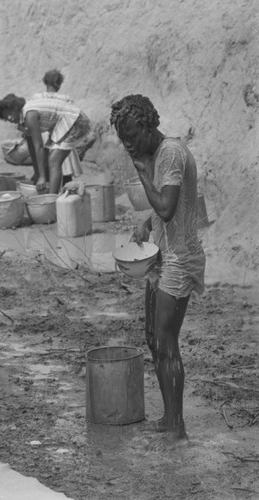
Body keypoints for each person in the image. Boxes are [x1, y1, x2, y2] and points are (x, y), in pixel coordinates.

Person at [110, 94, 205, 443]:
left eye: (132, 135)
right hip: (164, 253)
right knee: (153, 339)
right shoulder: (156, 154)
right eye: (123, 138)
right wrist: (147, 224)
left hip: (180, 260)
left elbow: (167, 206)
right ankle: (169, 418)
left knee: (166, 342)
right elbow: (165, 212)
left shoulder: (171, 155)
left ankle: (177, 426)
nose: (128, 144)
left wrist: (142, 176)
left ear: (149, 126)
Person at [0, 76, 91, 194]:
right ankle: (54, 197)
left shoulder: (29, 115)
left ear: (15, 108)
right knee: (53, 159)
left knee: (54, 161)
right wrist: (38, 173)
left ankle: (51, 200)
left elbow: (38, 146)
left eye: (9, 113)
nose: (9, 118)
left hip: (75, 121)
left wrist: (42, 177)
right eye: (6, 117)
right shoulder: (26, 117)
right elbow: (37, 148)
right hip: (66, 123)